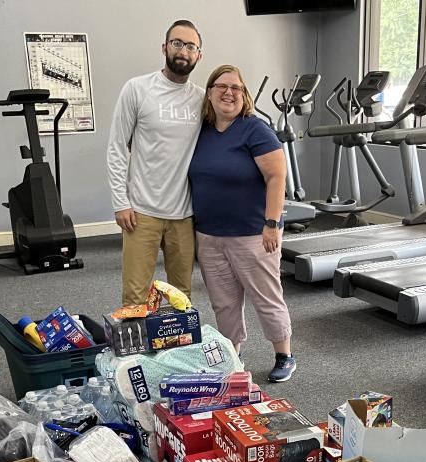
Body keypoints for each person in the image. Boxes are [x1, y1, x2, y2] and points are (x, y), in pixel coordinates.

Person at [188, 64, 296, 383]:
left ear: (244, 95)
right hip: (209, 235)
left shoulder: (255, 129)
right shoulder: (202, 131)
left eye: (236, 87)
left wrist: (272, 224)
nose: (228, 92)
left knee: (266, 296)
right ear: (209, 93)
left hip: (253, 234)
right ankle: (233, 356)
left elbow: (277, 176)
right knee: (224, 302)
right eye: (221, 86)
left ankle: (284, 354)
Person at [107, 20, 204, 306]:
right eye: (177, 43)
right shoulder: (137, 89)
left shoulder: (201, 99)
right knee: (135, 298)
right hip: (141, 213)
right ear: (164, 47)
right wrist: (119, 202)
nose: (183, 51)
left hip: (184, 215)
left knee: (182, 297)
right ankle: (134, 353)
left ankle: (178, 352)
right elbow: (116, 147)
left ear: (199, 54)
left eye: (190, 46)